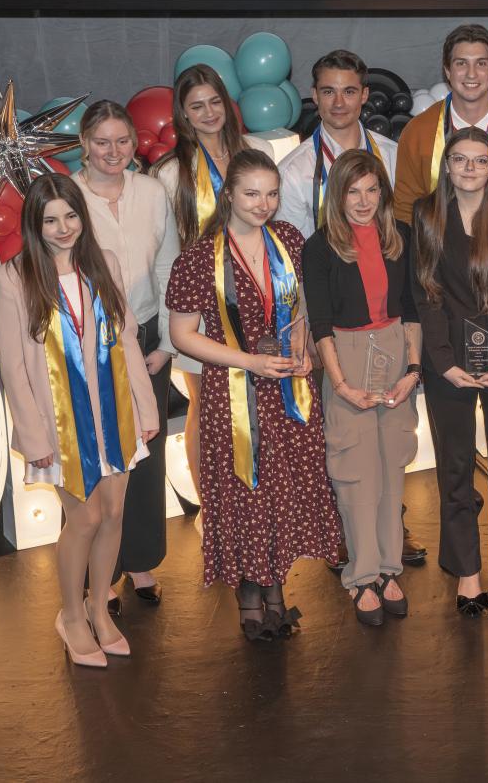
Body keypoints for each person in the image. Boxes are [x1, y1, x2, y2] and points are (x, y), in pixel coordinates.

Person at [165, 149, 343, 639]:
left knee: (282, 486)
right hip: (235, 387)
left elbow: (301, 304)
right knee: (246, 486)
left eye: (271, 193)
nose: (263, 203)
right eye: (251, 193)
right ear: (228, 196)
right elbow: (183, 335)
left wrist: (304, 349)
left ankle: (275, 589)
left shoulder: (288, 239)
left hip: (287, 383)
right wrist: (248, 360)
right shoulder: (200, 257)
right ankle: (248, 592)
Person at [0, 175, 160, 666]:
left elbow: (127, 339)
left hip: (116, 413)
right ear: (34, 224)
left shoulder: (101, 263)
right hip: (61, 422)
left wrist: (146, 409)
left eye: (71, 216)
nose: (63, 228)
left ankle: (99, 607)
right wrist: (33, 433)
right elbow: (13, 363)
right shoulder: (13, 277)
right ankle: (70, 615)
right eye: (50, 220)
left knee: (113, 515)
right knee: (83, 517)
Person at [153, 63, 280, 567]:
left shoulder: (260, 154)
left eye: (213, 102)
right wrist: (173, 328)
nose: (207, 113)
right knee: (209, 413)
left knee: (261, 410)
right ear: (183, 116)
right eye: (195, 106)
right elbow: (167, 253)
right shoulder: (170, 171)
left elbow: (276, 226)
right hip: (202, 313)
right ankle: (215, 509)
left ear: (227, 104)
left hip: (260, 299)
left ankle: (257, 503)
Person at [410, 128, 488, 616]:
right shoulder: (426, 212)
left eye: (479, 161)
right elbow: (426, 293)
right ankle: (466, 571)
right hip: (449, 360)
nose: (468, 169)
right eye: (459, 160)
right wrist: (442, 362)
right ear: (447, 164)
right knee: (455, 469)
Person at [303, 150, 423, 626]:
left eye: (372, 190)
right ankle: (362, 576)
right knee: (355, 473)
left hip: (396, 352)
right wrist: (341, 384)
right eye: (353, 191)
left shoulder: (402, 238)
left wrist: (414, 369)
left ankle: (390, 570)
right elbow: (321, 325)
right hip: (347, 358)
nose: (363, 200)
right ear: (337, 194)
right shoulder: (319, 247)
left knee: (393, 467)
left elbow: (412, 308)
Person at [71, 100, 179, 611]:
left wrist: (165, 344)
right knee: (99, 457)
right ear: (83, 144)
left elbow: (168, 265)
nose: (112, 152)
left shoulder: (152, 191)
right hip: (87, 340)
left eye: (121, 141)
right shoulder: (66, 195)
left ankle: (139, 561)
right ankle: (102, 573)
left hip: (148, 335)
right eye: (101, 141)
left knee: (146, 450)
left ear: (134, 145)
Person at [392, 23, 488, 222]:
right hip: (438, 249)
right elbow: (406, 210)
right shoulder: (417, 132)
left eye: (481, 63)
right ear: (447, 71)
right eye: (461, 63)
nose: (471, 74)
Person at [278, 49, 400, 238]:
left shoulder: (394, 156)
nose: (339, 103)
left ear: (364, 94)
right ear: (315, 95)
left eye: (349, 92)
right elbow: (292, 251)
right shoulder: (292, 171)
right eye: (328, 92)